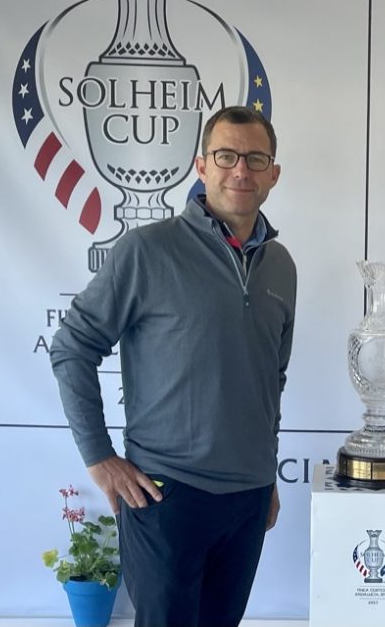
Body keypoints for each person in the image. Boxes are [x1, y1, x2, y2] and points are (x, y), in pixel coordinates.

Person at [50, 105, 296, 627]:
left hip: (248, 498)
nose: (241, 170)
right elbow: (73, 345)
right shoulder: (148, 250)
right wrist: (99, 457)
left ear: (273, 174)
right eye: (227, 155)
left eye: (256, 159)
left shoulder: (281, 266)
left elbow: (270, 380)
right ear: (202, 166)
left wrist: (265, 473)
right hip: (166, 495)